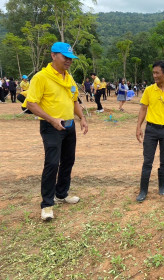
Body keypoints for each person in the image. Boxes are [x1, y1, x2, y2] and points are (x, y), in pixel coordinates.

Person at [25, 41, 88, 221]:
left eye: (71, 58)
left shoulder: (68, 77)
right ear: (53, 55)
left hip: (69, 125)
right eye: (65, 57)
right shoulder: (41, 77)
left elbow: (74, 100)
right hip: (50, 126)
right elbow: (31, 103)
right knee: (52, 163)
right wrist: (52, 120)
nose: (69, 61)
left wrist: (82, 118)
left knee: (68, 160)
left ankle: (61, 193)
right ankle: (47, 204)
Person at [135, 60, 164, 202]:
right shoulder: (149, 90)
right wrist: (138, 127)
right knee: (147, 161)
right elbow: (143, 109)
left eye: (157, 73)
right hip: (151, 130)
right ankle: (143, 190)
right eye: (153, 73)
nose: (154, 75)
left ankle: (162, 187)